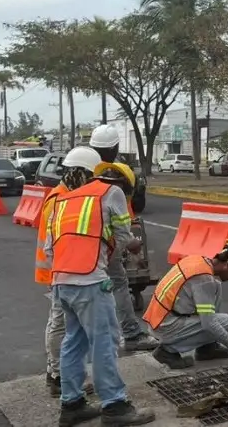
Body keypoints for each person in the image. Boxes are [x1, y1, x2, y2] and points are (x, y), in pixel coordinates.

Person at [44, 146, 155, 426]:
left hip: (61, 282)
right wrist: (109, 260)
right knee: (104, 342)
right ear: (97, 171)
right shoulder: (109, 192)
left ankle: (72, 404)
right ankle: (115, 406)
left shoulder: (62, 201)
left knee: (74, 341)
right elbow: (123, 233)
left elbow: (49, 249)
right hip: (91, 281)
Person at [89, 124, 159, 353]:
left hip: (79, 245)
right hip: (106, 246)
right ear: (116, 147)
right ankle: (130, 332)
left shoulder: (84, 172)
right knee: (119, 283)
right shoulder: (115, 183)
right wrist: (131, 243)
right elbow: (120, 228)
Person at [37, 147, 100, 398]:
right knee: (61, 325)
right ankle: (58, 376)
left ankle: (62, 375)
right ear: (79, 173)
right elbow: (55, 242)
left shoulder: (67, 194)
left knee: (65, 325)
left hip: (64, 270)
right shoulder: (59, 198)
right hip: (61, 271)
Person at [145, 238, 228, 369]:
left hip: (160, 319)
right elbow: (209, 324)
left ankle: (207, 348)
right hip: (165, 326)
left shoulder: (198, 261)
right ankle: (167, 351)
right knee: (226, 321)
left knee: (217, 286)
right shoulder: (204, 279)